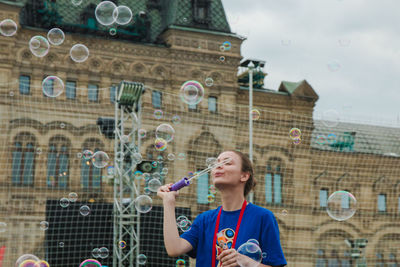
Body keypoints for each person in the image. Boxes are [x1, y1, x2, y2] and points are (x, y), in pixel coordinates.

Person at [157, 151, 287, 267]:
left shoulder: (263, 217)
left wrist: (245, 262)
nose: (218, 166)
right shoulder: (204, 219)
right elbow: (174, 249)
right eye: (216, 163)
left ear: (244, 176)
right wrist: (168, 202)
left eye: (227, 163)